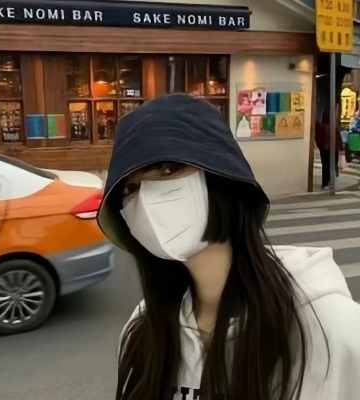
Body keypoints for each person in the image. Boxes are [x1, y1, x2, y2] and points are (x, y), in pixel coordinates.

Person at [97, 94, 360, 400]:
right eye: (130, 188)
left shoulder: (332, 331)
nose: (146, 198)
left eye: (168, 169)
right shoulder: (142, 330)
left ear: (222, 178)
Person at [315, 113, 344, 190]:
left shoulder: (321, 128)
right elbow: (339, 139)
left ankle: (324, 183)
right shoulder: (334, 127)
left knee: (325, 166)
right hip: (333, 149)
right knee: (332, 165)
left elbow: (317, 138)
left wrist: (320, 146)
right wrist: (341, 149)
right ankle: (331, 181)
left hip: (324, 150)